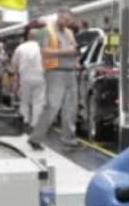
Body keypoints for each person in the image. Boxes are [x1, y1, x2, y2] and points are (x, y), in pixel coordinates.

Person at [28, 10, 81, 151]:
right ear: (59, 17)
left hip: (71, 72)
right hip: (55, 73)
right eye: (65, 19)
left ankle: (69, 138)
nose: (67, 23)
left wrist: (76, 58)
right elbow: (44, 52)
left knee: (71, 107)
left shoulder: (69, 32)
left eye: (69, 21)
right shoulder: (45, 31)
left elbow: (74, 48)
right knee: (52, 106)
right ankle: (35, 138)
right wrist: (66, 52)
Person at [11, 27, 46, 133]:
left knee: (24, 101)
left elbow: (14, 64)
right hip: (41, 77)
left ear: (28, 36)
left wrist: (15, 76)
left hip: (25, 77)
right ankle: (35, 124)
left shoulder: (21, 47)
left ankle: (24, 121)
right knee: (38, 101)